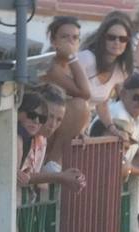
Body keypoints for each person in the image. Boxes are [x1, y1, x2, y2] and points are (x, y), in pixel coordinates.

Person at [40, 17, 93, 168]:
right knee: (80, 105)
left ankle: (53, 164)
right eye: (64, 37)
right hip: (41, 126)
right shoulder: (50, 65)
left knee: (82, 107)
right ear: (53, 40)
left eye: (75, 38)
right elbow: (85, 93)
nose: (70, 42)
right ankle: (52, 163)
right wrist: (72, 57)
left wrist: (81, 127)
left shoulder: (71, 67)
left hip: (55, 129)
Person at [78, 14, 134, 131]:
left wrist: (113, 129)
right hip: (65, 120)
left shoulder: (120, 71)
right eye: (111, 37)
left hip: (83, 128)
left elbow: (102, 104)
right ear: (102, 38)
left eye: (122, 39)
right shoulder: (87, 58)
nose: (117, 42)